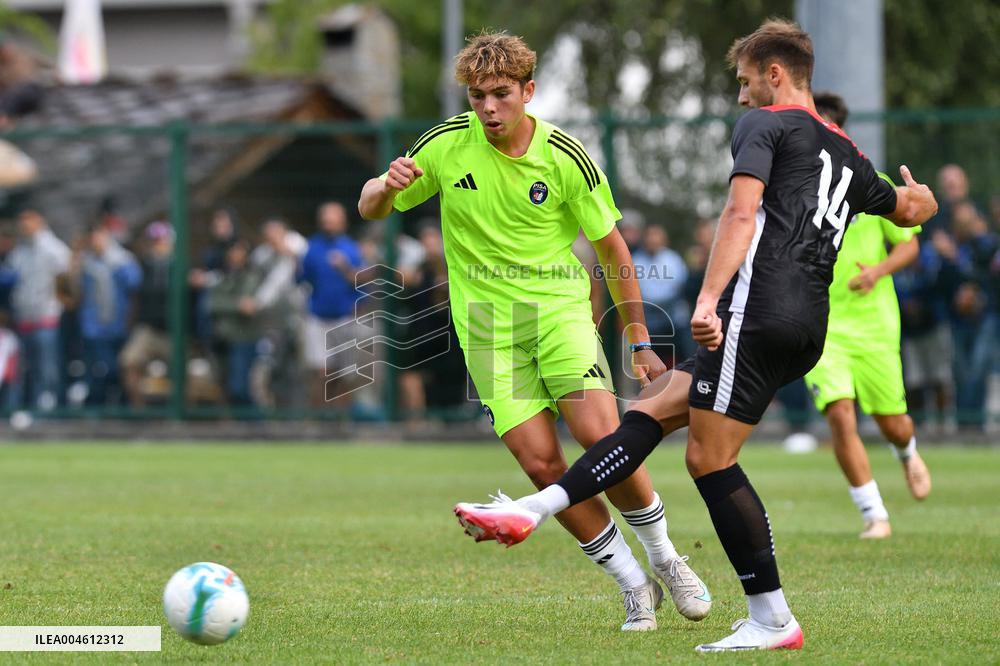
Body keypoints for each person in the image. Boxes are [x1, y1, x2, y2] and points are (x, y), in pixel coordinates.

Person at [453, 19, 938, 652]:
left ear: (774, 75)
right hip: (807, 325)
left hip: (759, 311)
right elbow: (909, 208)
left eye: (745, 81)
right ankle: (535, 508)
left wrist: (709, 300)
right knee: (649, 411)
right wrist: (922, 200)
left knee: (710, 458)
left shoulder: (764, 124)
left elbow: (740, 212)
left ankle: (771, 619)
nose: (740, 95)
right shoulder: (846, 150)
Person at [359, 31, 711, 632]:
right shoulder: (445, 144)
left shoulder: (566, 156)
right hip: (487, 331)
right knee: (542, 465)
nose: (488, 107)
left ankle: (666, 558)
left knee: (602, 438)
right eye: (478, 96)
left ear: (528, 91)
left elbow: (612, 249)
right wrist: (384, 187)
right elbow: (371, 206)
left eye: (500, 94)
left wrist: (639, 338)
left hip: (558, 315)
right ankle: (633, 584)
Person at [802, 92, 931, 539]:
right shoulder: (795, 184)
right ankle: (874, 513)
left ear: (838, 132)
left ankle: (906, 451)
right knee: (840, 414)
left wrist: (877, 271)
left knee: (892, 423)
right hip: (821, 322)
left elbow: (910, 245)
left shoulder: (868, 180)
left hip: (874, 324)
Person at [0, 210, 71, 411]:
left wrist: (59, 303)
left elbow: (65, 279)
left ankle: (49, 409)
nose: (24, 227)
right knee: (26, 368)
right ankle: (27, 408)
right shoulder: (21, 251)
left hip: (46, 317)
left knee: (48, 367)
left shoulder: (53, 249)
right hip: (24, 317)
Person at [298, 202, 365, 408]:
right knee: (321, 371)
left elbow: (363, 282)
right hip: (318, 317)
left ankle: (341, 417)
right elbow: (302, 279)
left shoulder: (351, 249)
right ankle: (319, 417)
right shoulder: (312, 248)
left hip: (345, 317)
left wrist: (345, 269)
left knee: (347, 374)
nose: (328, 222)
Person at [69, 224, 142, 405]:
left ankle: (120, 405)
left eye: (100, 237)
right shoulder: (86, 263)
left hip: (118, 326)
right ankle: (96, 406)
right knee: (96, 370)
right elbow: (77, 292)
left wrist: (129, 321)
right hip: (93, 328)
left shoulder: (123, 261)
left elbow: (135, 291)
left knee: (116, 368)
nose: (97, 242)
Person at [121, 221, 175, 407]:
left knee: (186, 372)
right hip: (149, 328)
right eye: (155, 240)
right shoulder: (142, 267)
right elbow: (135, 298)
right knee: (129, 361)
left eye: (162, 240)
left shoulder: (180, 266)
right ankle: (141, 411)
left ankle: (177, 413)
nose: (158, 245)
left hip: (174, 332)